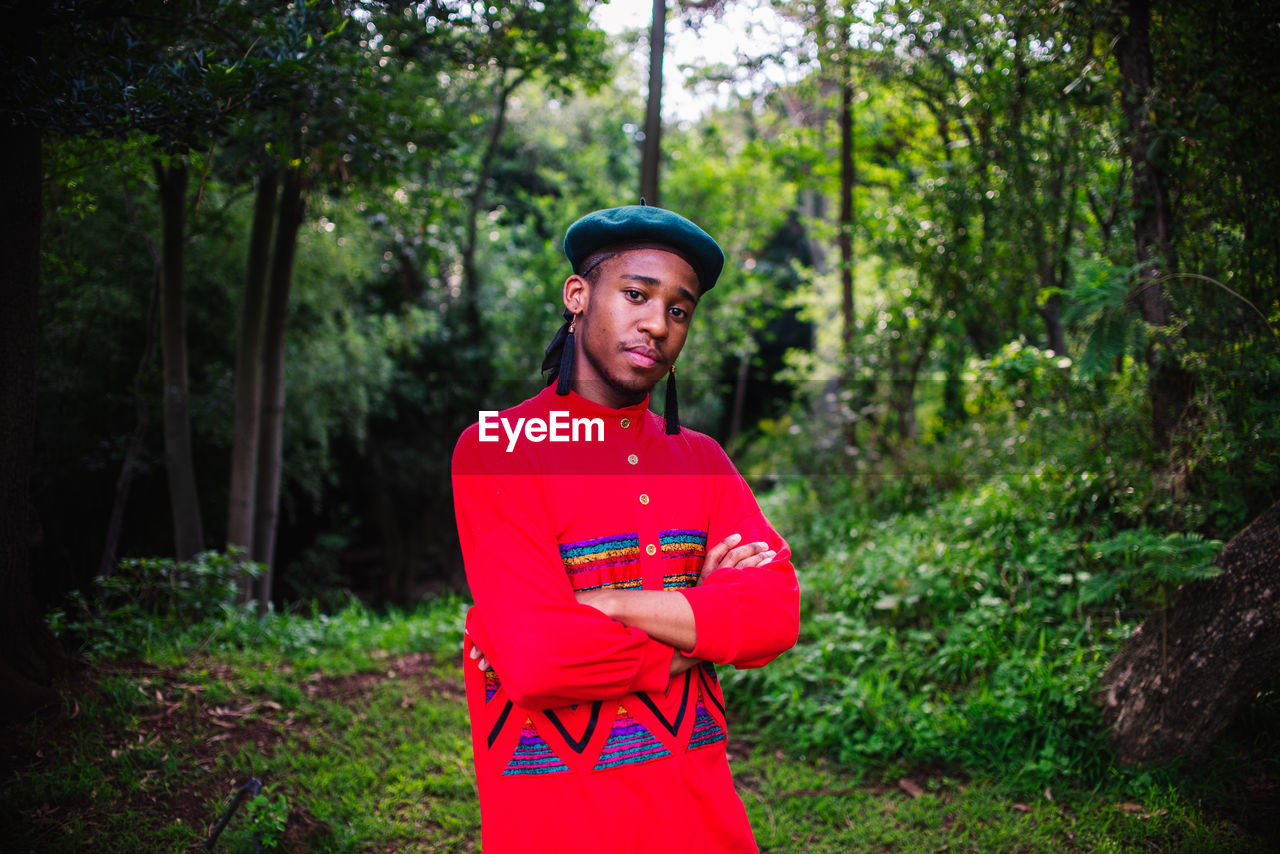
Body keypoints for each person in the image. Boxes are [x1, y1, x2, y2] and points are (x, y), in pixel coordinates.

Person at [451, 203, 800, 853]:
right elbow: (537, 659)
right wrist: (701, 622)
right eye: (636, 294)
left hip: (705, 823)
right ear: (578, 295)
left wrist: (607, 604)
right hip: (560, 827)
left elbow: (775, 613)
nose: (657, 324)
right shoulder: (498, 448)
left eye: (678, 309)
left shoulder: (701, 461)